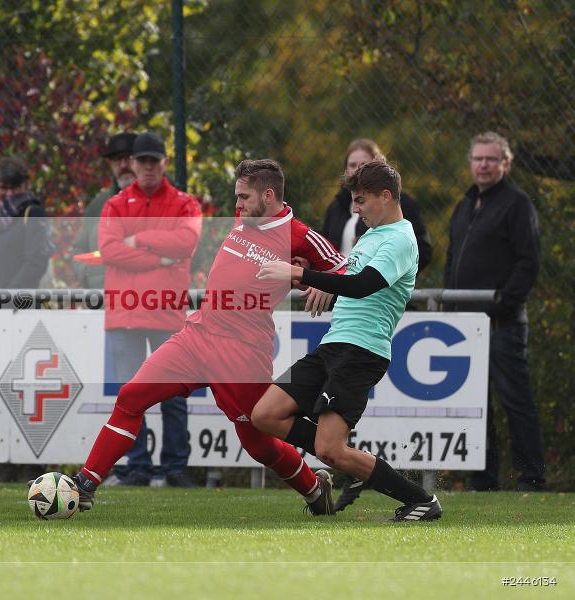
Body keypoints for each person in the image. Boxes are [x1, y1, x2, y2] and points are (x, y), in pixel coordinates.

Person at [69, 158, 346, 513]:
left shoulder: (298, 234)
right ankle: (86, 483)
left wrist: (323, 285)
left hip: (242, 352)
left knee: (258, 444)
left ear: (269, 194)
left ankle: (314, 488)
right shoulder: (245, 217)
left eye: (244, 197)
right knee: (131, 396)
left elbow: (346, 268)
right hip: (197, 334)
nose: (237, 204)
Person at [252, 159, 443, 521]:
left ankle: (422, 501)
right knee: (265, 414)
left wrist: (299, 271)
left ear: (385, 197)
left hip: (361, 352)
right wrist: (319, 286)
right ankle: (356, 464)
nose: (355, 209)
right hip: (334, 345)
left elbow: (363, 285)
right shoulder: (371, 236)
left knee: (329, 450)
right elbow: (351, 284)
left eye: (361, 200)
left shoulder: (403, 238)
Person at [94, 131, 203, 487]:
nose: (148, 168)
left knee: (173, 394)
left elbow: (186, 243)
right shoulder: (115, 204)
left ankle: (174, 468)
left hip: (167, 312)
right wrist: (161, 255)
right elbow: (110, 251)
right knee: (131, 395)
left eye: (154, 161)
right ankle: (137, 466)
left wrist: (138, 240)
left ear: (164, 163)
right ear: (133, 164)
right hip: (126, 313)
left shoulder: (186, 204)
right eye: (142, 161)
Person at [445, 131, 544, 492]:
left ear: (506, 163)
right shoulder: (465, 205)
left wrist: (504, 300)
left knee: (515, 401)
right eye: (478, 158)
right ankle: (482, 480)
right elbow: (453, 259)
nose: (483, 165)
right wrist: (450, 305)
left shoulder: (517, 205)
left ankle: (532, 479)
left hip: (503, 325)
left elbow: (528, 261)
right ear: (470, 162)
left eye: (491, 159)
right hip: (465, 326)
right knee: (474, 405)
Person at [321, 139, 432, 271]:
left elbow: (421, 250)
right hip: (339, 284)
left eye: (364, 164)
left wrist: (387, 272)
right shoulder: (336, 206)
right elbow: (325, 249)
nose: (357, 170)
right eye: (352, 165)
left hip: (377, 285)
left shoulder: (399, 204)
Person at [71, 132, 137, 289]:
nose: (123, 165)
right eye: (116, 160)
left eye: (128, 158)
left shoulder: (166, 198)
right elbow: (79, 249)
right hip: (105, 302)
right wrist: (87, 275)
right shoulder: (98, 205)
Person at [0, 156, 54, 289]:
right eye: (3, 188)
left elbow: (36, 261)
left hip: (18, 301)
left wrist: (11, 294)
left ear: (26, 185)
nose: (10, 194)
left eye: (15, 187)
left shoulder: (33, 213)